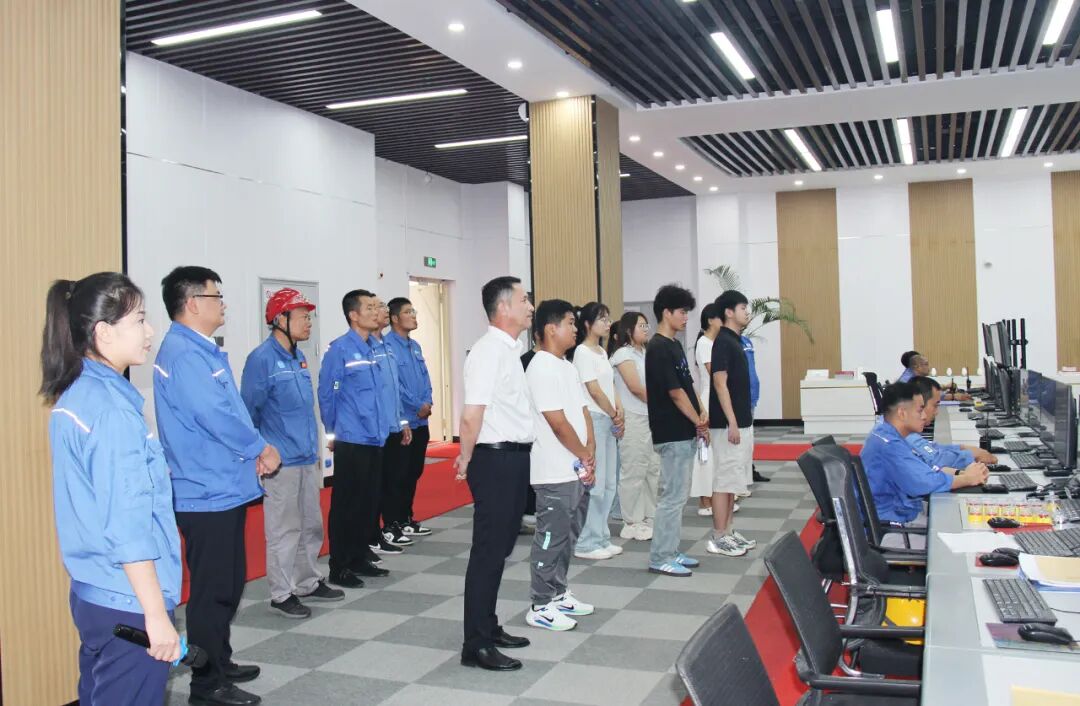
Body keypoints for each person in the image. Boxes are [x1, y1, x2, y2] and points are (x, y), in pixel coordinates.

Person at [43, 273, 181, 706]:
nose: (150, 331)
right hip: (128, 599)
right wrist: (155, 615)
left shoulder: (77, 395)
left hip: (94, 590)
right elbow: (128, 525)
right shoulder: (112, 413)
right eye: (139, 320)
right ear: (103, 332)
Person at [154, 266, 275, 706]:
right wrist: (259, 446)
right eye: (215, 296)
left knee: (227, 584)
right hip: (205, 492)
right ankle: (207, 685)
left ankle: (220, 661)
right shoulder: (185, 354)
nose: (222, 304)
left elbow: (228, 410)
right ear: (192, 303)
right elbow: (214, 416)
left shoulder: (200, 349)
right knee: (212, 593)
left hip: (221, 486)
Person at [241, 288, 344, 620]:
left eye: (309, 316)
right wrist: (260, 452)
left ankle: (307, 581)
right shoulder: (261, 359)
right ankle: (282, 593)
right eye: (302, 316)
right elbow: (249, 411)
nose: (308, 322)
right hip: (280, 462)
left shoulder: (298, 357)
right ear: (280, 319)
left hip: (305, 457)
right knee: (284, 530)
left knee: (310, 525)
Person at [456, 276, 536, 671]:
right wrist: (464, 457)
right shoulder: (488, 352)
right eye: (524, 300)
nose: (530, 306)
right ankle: (476, 644)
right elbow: (472, 414)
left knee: (501, 549)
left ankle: (488, 625)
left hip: (514, 459)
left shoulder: (510, 350)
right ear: (503, 307)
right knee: (488, 551)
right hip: (495, 460)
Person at [524, 299, 597, 631]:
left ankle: (558, 592)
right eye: (570, 322)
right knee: (551, 537)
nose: (575, 328)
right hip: (554, 470)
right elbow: (557, 423)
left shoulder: (567, 366)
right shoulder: (540, 367)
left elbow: (583, 411)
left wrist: (590, 451)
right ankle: (540, 604)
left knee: (569, 535)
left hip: (577, 467)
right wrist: (583, 454)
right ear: (551, 329)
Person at [318, 289, 393, 590]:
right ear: (353, 315)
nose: (376, 312)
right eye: (369, 308)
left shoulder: (372, 348)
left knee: (368, 502)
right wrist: (333, 432)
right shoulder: (340, 350)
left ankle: (359, 555)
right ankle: (339, 565)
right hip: (352, 439)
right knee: (347, 504)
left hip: (374, 438)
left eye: (377, 307)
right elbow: (329, 394)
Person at [861, 382, 989, 526]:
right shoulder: (889, 444)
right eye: (920, 410)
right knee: (960, 523)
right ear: (902, 413)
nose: (924, 415)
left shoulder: (888, 434)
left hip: (900, 513)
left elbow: (926, 468)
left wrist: (963, 474)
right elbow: (923, 483)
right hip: (892, 523)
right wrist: (968, 479)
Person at [645, 284, 707, 577]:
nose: (685, 317)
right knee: (672, 496)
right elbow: (675, 393)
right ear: (666, 312)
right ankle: (660, 556)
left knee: (679, 496)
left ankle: (670, 549)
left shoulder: (674, 345)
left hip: (684, 430)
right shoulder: (658, 347)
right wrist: (698, 421)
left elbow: (688, 386)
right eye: (681, 312)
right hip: (671, 431)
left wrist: (701, 414)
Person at [706, 290, 758, 558]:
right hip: (728, 425)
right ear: (729, 312)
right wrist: (732, 422)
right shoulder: (723, 342)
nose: (747, 312)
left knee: (734, 480)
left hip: (740, 421)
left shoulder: (736, 340)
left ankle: (728, 531)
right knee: (724, 480)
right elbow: (719, 383)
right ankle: (718, 536)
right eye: (742, 308)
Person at [572, 302, 624, 560]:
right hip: (595, 419)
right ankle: (586, 542)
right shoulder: (582, 352)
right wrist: (613, 414)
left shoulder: (602, 352)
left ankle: (601, 536)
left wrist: (619, 410)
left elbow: (610, 385)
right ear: (587, 324)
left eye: (608, 318)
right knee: (596, 484)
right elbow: (593, 390)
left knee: (610, 483)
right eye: (602, 319)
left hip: (609, 418)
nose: (607, 323)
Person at [383, 297, 435, 538]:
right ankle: (392, 521)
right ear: (395, 318)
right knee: (398, 474)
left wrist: (428, 402)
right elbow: (394, 385)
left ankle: (406, 518)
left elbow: (425, 378)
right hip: (403, 422)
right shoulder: (387, 346)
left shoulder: (415, 346)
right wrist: (416, 405)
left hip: (421, 421)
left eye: (414, 311)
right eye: (408, 312)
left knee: (414, 472)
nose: (414, 315)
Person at [609, 311, 659, 541]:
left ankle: (649, 517)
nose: (646, 329)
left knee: (652, 469)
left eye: (647, 325)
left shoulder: (646, 353)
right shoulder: (623, 354)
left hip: (650, 417)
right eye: (641, 325)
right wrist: (663, 403)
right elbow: (635, 388)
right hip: (633, 417)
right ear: (629, 330)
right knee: (633, 470)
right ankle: (631, 521)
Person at [370, 296, 413, 552]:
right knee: (375, 486)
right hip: (374, 431)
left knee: (393, 481)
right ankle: (374, 533)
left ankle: (391, 525)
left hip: (393, 426)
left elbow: (393, 390)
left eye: (383, 307)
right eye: (376, 307)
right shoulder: (365, 348)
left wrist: (403, 421)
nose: (383, 311)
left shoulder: (386, 347)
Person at [908, 376, 998, 466]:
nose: (937, 412)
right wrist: (972, 455)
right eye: (935, 405)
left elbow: (932, 448)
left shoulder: (910, 433)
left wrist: (963, 448)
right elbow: (937, 459)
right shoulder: (908, 436)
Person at [691, 303, 722, 517]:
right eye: (720, 318)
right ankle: (704, 500)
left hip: (717, 400)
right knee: (705, 451)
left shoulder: (716, 342)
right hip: (707, 401)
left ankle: (716, 496)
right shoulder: (704, 343)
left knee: (716, 452)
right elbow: (716, 373)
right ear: (710, 320)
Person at [742, 331, 770, 485]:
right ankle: (743, 474)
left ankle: (749, 470)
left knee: (749, 439)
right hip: (741, 398)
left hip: (752, 396)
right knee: (741, 440)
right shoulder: (727, 342)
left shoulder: (746, 341)